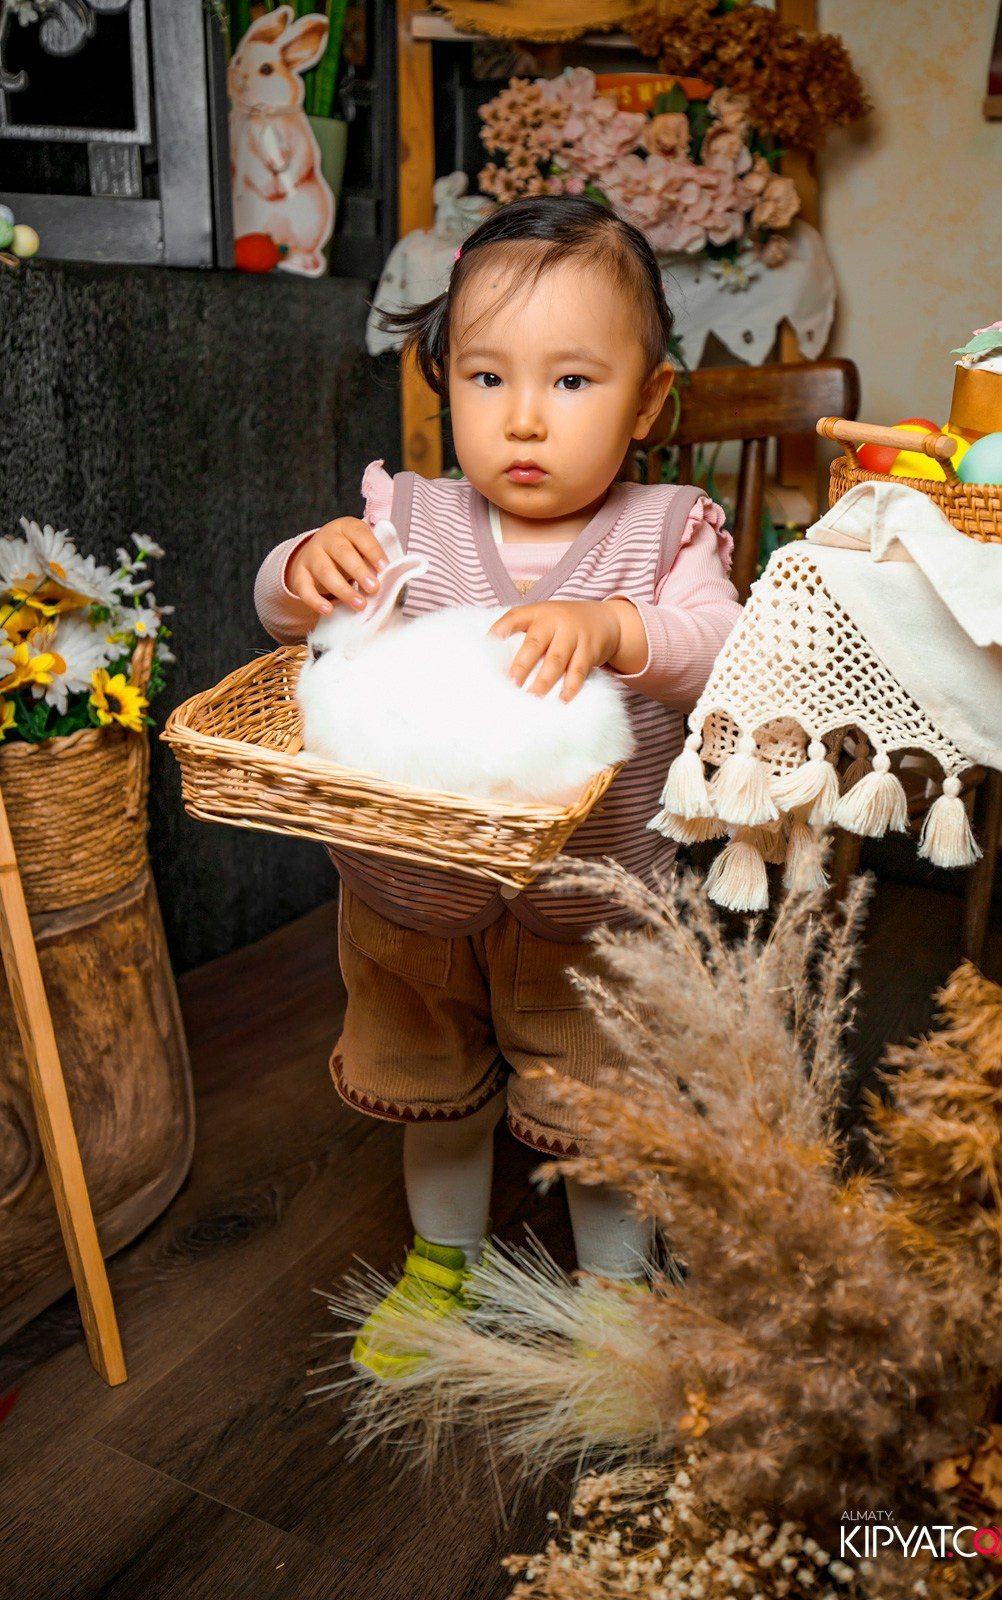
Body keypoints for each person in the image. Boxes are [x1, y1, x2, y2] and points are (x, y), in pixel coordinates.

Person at [254, 195, 742, 1379]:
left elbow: (723, 651)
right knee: (436, 1087)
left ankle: (615, 1297)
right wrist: (300, 572)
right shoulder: (404, 516)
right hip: (412, 897)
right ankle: (442, 1265)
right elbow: (298, 623)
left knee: (601, 1113)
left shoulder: (668, 532)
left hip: (594, 908)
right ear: (446, 387)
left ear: (648, 400)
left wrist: (622, 627)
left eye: (572, 382)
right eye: (485, 378)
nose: (522, 418)